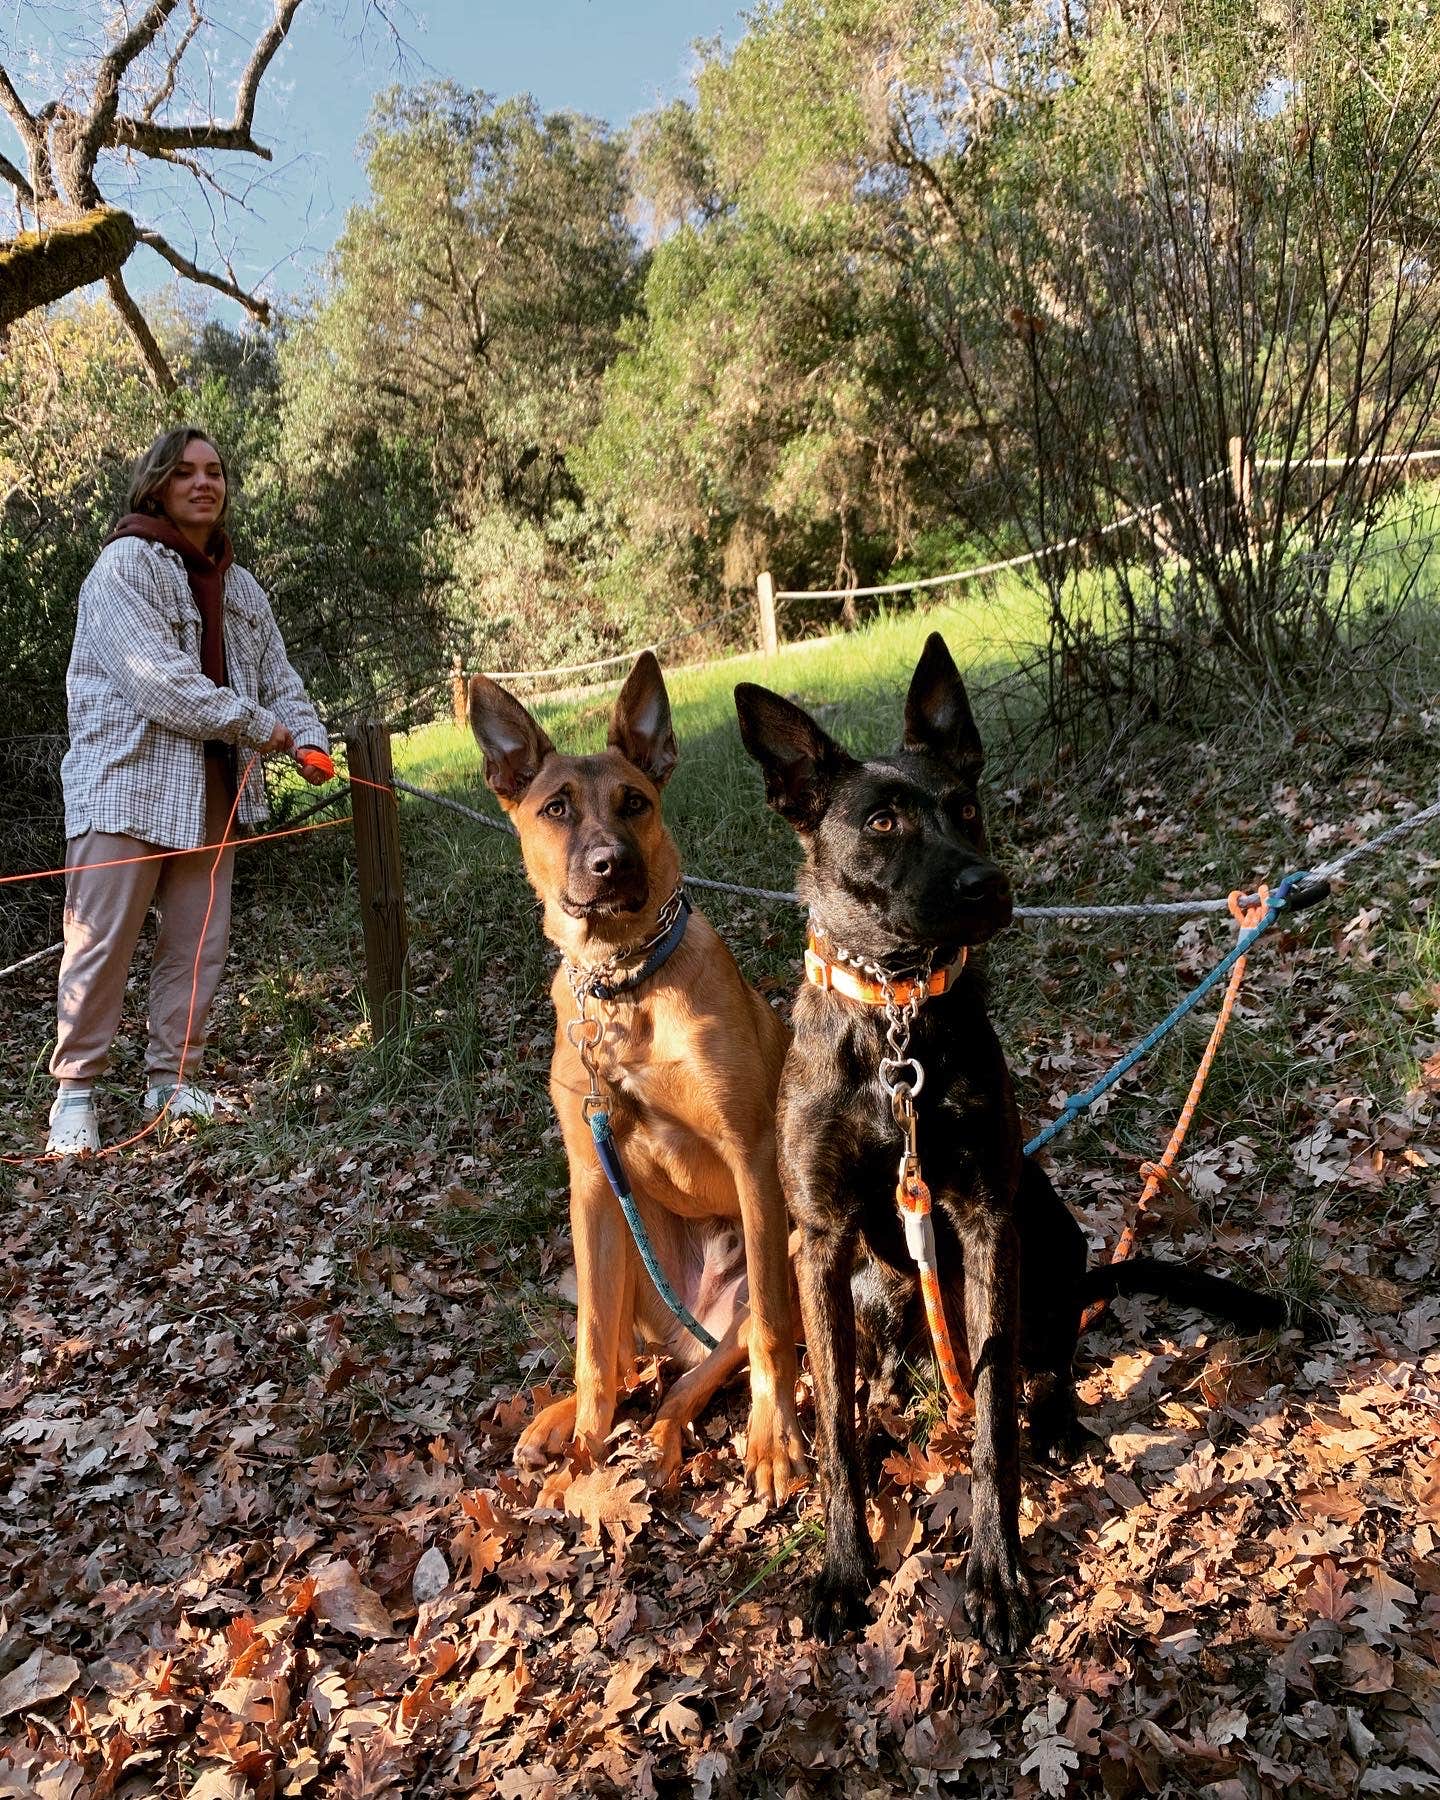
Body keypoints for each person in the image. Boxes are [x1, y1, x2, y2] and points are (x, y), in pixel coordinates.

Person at [46, 426, 330, 1155]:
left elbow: (281, 678)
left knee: (196, 944)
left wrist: (308, 738)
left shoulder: (241, 586)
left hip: (213, 792)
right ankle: (74, 1095)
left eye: (215, 472)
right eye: (186, 473)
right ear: (158, 485)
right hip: (125, 785)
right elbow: (157, 682)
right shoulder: (121, 567)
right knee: (99, 943)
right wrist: (259, 724)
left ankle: (173, 1081)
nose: (204, 483)